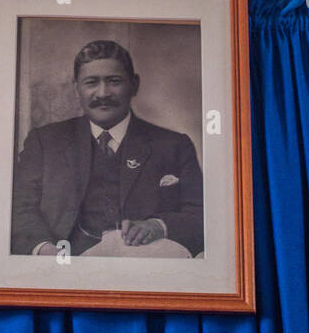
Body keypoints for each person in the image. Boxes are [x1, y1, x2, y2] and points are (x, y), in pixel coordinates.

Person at [11, 39, 204, 257]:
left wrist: (159, 226)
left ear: (134, 84)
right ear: (77, 89)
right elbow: (19, 210)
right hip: (63, 265)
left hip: (141, 268)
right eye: (91, 82)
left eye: (114, 81)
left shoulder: (173, 146)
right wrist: (46, 251)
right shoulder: (44, 142)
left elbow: (200, 215)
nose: (102, 93)